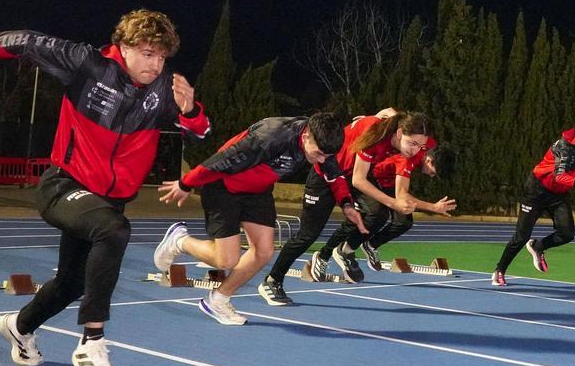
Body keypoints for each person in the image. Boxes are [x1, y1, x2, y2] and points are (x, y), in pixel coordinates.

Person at [0, 10, 210, 366]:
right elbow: (22, 40)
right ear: (124, 47)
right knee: (114, 230)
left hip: (107, 199)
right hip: (64, 185)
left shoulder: (164, 90)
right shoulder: (87, 64)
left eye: (162, 56)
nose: (156, 64)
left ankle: (19, 326)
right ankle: (92, 341)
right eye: (148, 53)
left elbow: (199, 134)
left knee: (72, 283)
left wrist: (190, 111)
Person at [151, 113, 365, 323]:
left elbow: (333, 173)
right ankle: (179, 240)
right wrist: (186, 183)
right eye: (318, 154)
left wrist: (346, 203)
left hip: (258, 191)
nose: (321, 160)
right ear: (306, 135)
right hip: (224, 185)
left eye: (326, 156)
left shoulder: (322, 145)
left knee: (263, 252)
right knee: (226, 260)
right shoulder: (271, 136)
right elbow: (220, 161)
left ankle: (218, 300)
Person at [259, 111, 430, 296]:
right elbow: (359, 180)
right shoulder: (375, 135)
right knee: (307, 236)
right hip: (327, 175)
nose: (415, 150)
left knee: (378, 213)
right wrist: (394, 203)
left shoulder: (393, 130)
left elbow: (389, 111)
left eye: (421, 146)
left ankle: (345, 251)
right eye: (412, 143)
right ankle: (273, 279)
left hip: (348, 177)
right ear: (398, 133)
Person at [492, 115, 575, 286]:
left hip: (557, 195)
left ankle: (538, 246)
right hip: (536, 191)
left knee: (567, 233)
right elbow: (560, 176)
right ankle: (500, 270)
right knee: (521, 237)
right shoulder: (565, 147)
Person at [325, 142, 458, 274]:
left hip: (389, 182)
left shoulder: (429, 144)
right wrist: (434, 207)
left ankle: (370, 245)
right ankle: (346, 249)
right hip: (371, 178)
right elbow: (403, 196)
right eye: (433, 172)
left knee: (404, 222)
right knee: (378, 214)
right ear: (429, 160)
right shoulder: (407, 159)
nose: (432, 176)